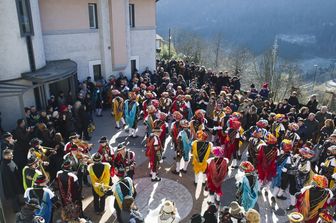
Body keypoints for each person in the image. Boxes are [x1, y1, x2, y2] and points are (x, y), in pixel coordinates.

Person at [1, 149, 22, 213]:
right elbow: (8, 180)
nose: (12, 155)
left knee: (16, 196)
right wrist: (12, 188)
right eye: (10, 155)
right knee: (13, 197)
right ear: (6, 156)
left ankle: (19, 204)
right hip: (11, 185)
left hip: (15, 182)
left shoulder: (10, 161)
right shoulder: (5, 166)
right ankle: (17, 210)